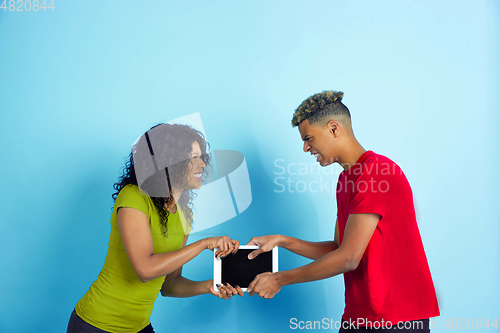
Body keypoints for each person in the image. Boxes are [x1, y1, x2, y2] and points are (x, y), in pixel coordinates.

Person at [246, 91, 440, 332]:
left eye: (308, 138)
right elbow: (338, 250)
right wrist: (283, 241)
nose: (306, 148)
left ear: (334, 128)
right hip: (360, 316)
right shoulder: (346, 180)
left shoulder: (377, 173)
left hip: (397, 319)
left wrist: (280, 279)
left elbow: (348, 259)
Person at [67, 123, 243, 333]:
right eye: (193, 157)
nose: (202, 165)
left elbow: (169, 284)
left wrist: (209, 285)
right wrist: (204, 244)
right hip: (96, 325)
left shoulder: (185, 214)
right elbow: (145, 270)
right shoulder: (133, 197)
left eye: (201, 157)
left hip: (138, 327)